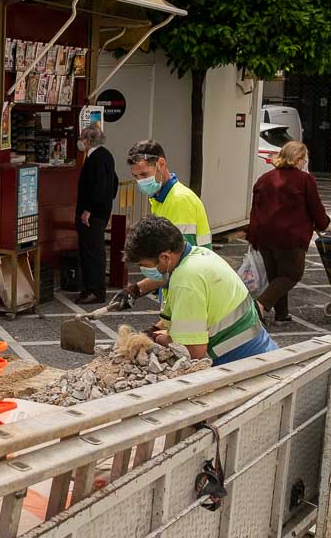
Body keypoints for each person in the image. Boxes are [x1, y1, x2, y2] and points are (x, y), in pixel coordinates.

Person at [126, 216, 277, 365]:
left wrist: (158, 339)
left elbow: (193, 352)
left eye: (144, 265)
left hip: (243, 365)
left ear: (165, 257)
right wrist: (154, 330)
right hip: (261, 353)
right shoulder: (198, 255)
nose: (144, 271)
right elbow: (188, 316)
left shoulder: (186, 280)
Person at [110, 140, 213, 309]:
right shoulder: (160, 200)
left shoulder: (179, 201)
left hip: (190, 293)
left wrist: (137, 289)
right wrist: (134, 290)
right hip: (181, 292)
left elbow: (177, 264)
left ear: (161, 164)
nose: (140, 182)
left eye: (144, 175)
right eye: (136, 177)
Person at [246, 141, 330, 323]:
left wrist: (252, 235)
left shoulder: (265, 178)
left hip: (264, 235)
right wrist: (324, 225)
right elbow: (316, 207)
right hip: (289, 236)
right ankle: (260, 306)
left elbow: (255, 208)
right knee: (291, 274)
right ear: (298, 159)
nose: (304, 163)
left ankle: (282, 315)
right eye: (304, 159)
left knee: (276, 276)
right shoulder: (305, 180)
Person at [74, 123, 119, 304]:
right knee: (93, 249)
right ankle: (91, 288)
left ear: (89, 141)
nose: (80, 141)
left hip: (93, 213)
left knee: (92, 251)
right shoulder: (106, 155)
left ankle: (94, 290)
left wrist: (88, 210)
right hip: (101, 210)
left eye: (82, 138)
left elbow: (98, 186)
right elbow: (113, 182)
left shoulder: (96, 158)